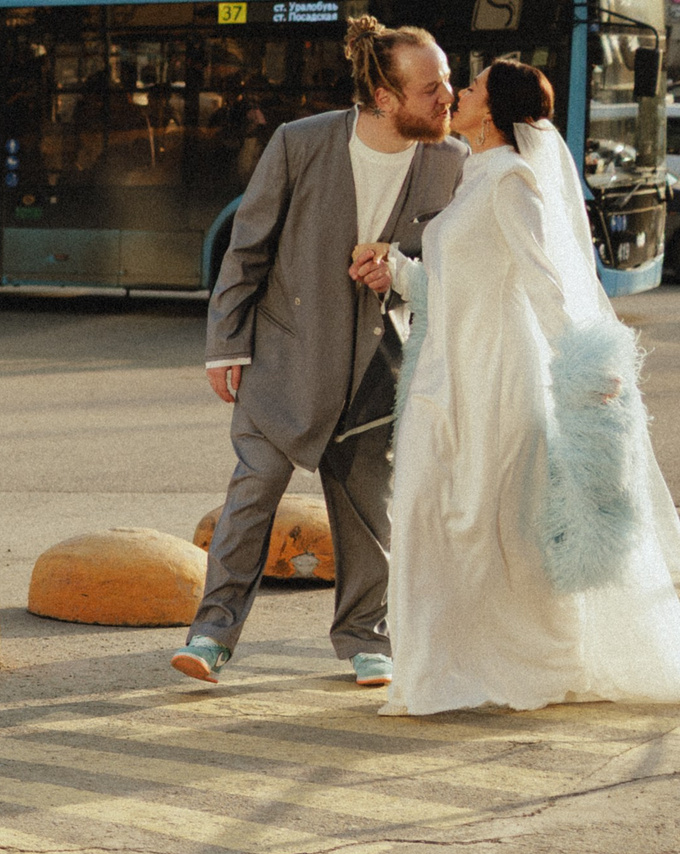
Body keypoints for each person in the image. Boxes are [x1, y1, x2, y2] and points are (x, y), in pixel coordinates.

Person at [353, 63, 680, 714]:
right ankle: (440, 670)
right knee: (423, 514)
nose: (458, 96)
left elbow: (544, 282)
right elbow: (459, 281)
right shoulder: (473, 175)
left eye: (470, 89)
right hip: (443, 376)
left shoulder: (514, 179)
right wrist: (395, 270)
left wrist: (589, 369)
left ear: (494, 110)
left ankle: (529, 663)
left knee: (497, 530)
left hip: (497, 381)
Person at [177, 16, 468, 687]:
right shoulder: (300, 143)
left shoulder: (451, 163)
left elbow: (456, 263)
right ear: (386, 97)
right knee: (251, 500)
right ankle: (212, 633)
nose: (448, 98)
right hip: (285, 359)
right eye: (433, 89)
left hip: (377, 367)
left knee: (370, 512)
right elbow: (247, 248)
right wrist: (226, 345)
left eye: (449, 83)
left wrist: (398, 266)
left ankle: (368, 638)